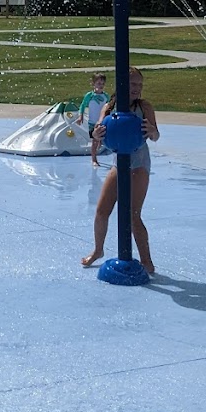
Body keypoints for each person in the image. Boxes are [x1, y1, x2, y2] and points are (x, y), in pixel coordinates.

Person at [81, 66, 159, 275]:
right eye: (133, 84)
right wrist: (96, 133)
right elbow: (96, 132)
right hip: (119, 163)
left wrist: (152, 131)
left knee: (134, 215)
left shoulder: (144, 107)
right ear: (123, 85)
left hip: (140, 162)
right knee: (101, 210)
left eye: (140, 85)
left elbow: (155, 135)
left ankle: (146, 261)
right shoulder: (110, 107)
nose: (137, 88)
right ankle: (98, 250)